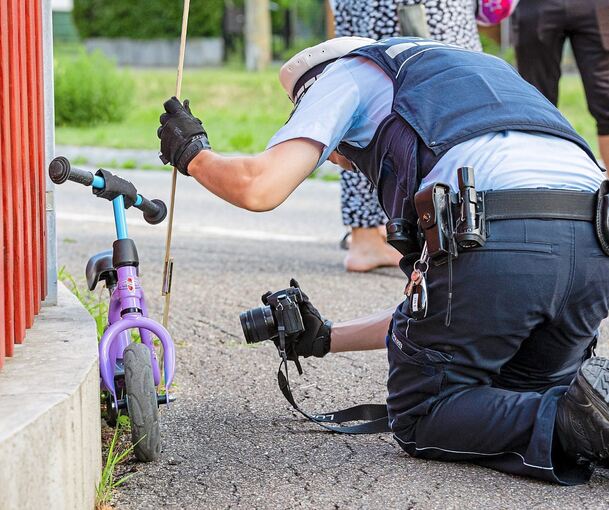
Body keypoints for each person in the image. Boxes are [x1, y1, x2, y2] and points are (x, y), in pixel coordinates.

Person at [157, 36, 609, 484]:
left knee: (422, 413)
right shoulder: (479, 74)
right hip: (595, 246)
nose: (338, 158)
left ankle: (578, 420)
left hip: (498, 238)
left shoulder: (346, 73)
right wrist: (325, 338)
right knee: (528, 398)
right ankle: (585, 417)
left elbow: (260, 187)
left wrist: (194, 156)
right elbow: (442, 311)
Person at [332, 0, 483, 272]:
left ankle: (365, 234)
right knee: (451, 96)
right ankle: (443, 227)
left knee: (364, 93)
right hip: (421, 9)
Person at [512, 0, 609, 166]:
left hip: (596, 5)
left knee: (606, 99)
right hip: (536, 5)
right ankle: (538, 183)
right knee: (535, 103)